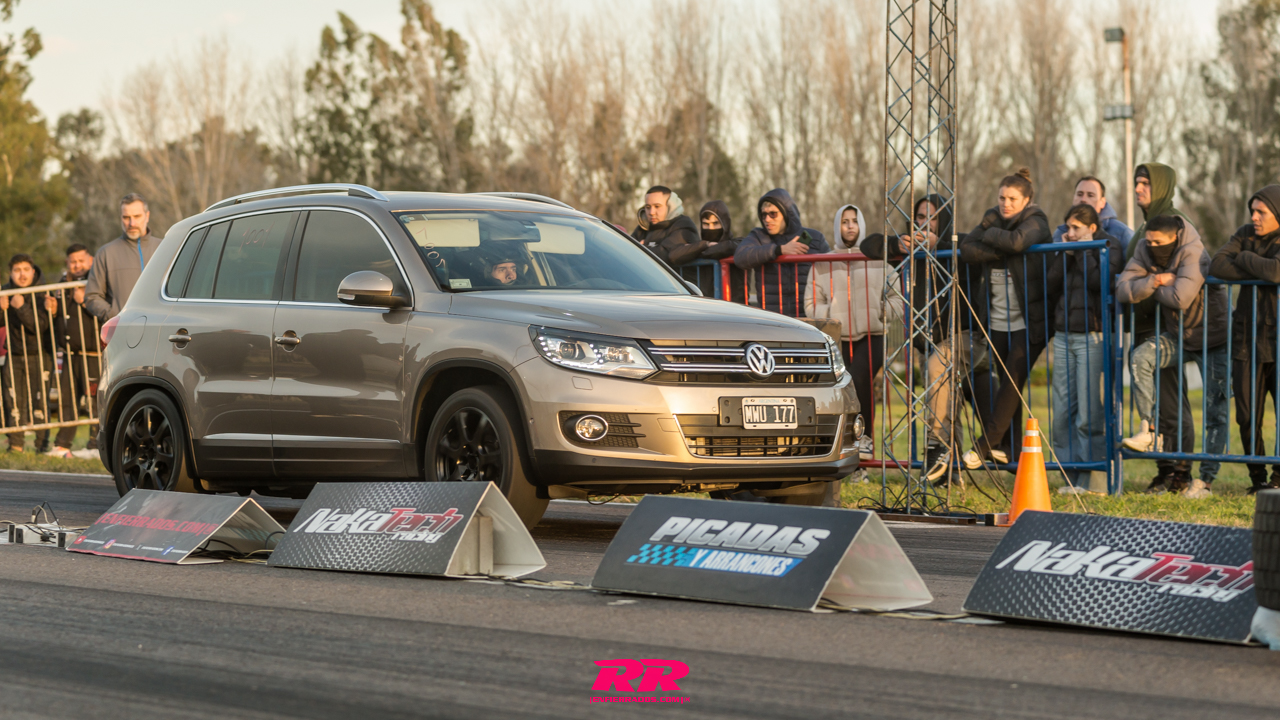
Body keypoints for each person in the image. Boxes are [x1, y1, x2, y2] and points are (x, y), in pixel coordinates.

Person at [863, 194, 980, 483]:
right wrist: (897, 245)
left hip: (963, 336)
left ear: (944, 221)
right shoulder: (911, 250)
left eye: (932, 217)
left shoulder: (958, 245)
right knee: (945, 400)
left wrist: (938, 245)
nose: (924, 223)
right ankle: (949, 472)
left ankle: (935, 447)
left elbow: (973, 246)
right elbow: (869, 245)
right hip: (926, 340)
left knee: (939, 372)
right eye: (919, 217)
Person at [1116, 214, 1228, 496]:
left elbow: (1181, 298)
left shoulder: (1194, 251)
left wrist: (1147, 287)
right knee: (1141, 357)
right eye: (1149, 241)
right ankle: (1149, 430)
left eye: (1158, 242)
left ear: (1175, 238)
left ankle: (1205, 481)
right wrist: (1157, 281)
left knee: (1216, 411)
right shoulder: (1143, 248)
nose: (1152, 246)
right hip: (1178, 336)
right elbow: (1122, 290)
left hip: (1213, 338)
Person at [1123, 163, 1212, 493]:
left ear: (1161, 186)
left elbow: (1182, 288)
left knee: (1173, 404)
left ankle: (1181, 472)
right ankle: (1164, 470)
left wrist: (1147, 284)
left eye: (1145, 183)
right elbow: (1125, 284)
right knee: (1155, 404)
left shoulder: (1178, 223)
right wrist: (1153, 281)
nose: (1138, 188)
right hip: (1144, 326)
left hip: (1171, 328)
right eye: (1136, 182)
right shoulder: (1144, 229)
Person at [960, 168, 1053, 470]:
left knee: (1012, 381)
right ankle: (1011, 450)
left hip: (1031, 321)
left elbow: (1017, 242)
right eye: (1002, 197)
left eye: (1013, 198)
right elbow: (967, 248)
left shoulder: (1037, 220)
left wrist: (990, 237)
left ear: (1027, 200)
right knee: (1008, 388)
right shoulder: (992, 217)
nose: (1006, 203)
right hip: (998, 321)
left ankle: (985, 444)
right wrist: (998, 249)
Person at [806, 204, 897, 460]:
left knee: (858, 378)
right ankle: (852, 454)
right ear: (837, 225)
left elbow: (897, 297)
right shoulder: (823, 263)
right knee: (844, 390)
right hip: (839, 338)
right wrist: (833, 314)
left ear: (861, 225)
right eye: (844, 221)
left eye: (854, 221)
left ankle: (864, 438)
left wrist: (881, 311)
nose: (849, 226)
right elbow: (811, 304)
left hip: (872, 334)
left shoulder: (877, 259)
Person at [1046, 204, 1123, 494]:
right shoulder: (1066, 247)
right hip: (1063, 335)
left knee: (1089, 413)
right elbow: (1050, 284)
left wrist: (1082, 251)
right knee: (1061, 412)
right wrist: (1067, 254)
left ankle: (1095, 480)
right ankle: (1070, 477)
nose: (1069, 233)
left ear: (1092, 228)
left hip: (1094, 336)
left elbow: (1099, 283)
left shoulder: (1109, 246)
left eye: (1076, 228)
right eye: (1068, 227)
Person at [1210, 184, 1280, 495]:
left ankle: (1279, 478)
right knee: (1247, 415)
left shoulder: (1251, 245)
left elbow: (1276, 272)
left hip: (1278, 341)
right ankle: (1258, 478)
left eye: (1261, 212)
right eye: (1252, 211)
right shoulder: (1244, 233)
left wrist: (1245, 258)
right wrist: (1259, 268)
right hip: (1246, 342)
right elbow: (1217, 264)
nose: (1254, 217)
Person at [733, 188, 829, 317]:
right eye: (763, 215)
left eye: (773, 214)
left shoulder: (815, 238)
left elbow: (830, 275)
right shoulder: (758, 236)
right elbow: (740, 257)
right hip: (773, 320)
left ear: (786, 213)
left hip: (808, 319)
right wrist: (779, 250)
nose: (767, 219)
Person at [0, 254, 60, 453]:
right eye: (17, 270)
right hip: (14, 354)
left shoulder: (43, 293)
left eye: (26, 270)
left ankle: (41, 445)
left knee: (40, 401)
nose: (22, 275)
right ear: (11, 273)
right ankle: (16, 444)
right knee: (13, 400)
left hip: (40, 354)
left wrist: (21, 307)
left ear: (33, 271)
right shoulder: (6, 292)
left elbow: (40, 326)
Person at [48, 244, 102, 459]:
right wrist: (53, 311)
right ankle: (62, 445)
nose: (77, 265)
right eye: (73, 261)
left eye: (81, 261)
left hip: (93, 354)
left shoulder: (98, 281)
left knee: (95, 400)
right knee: (67, 399)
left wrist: (86, 302)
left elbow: (107, 312)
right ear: (67, 263)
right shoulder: (61, 285)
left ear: (90, 260)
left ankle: (96, 444)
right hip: (70, 355)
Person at [84, 193, 162, 322]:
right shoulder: (105, 253)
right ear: (120, 218)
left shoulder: (165, 248)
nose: (132, 223)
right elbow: (92, 296)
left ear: (147, 216)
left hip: (160, 327)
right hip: (123, 330)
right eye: (126, 217)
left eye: (137, 216)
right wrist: (115, 317)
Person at [1051, 176, 1133, 254]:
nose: (1083, 199)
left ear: (1102, 202)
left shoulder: (1122, 232)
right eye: (1079, 194)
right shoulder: (1060, 233)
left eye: (1090, 195)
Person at [630, 186, 700, 267]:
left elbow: (665, 254)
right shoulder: (643, 228)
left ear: (671, 206)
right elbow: (624, 252)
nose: (651, 212)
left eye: (657, 206)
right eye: (648, 207)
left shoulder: (683, 225)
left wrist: (640, 249)